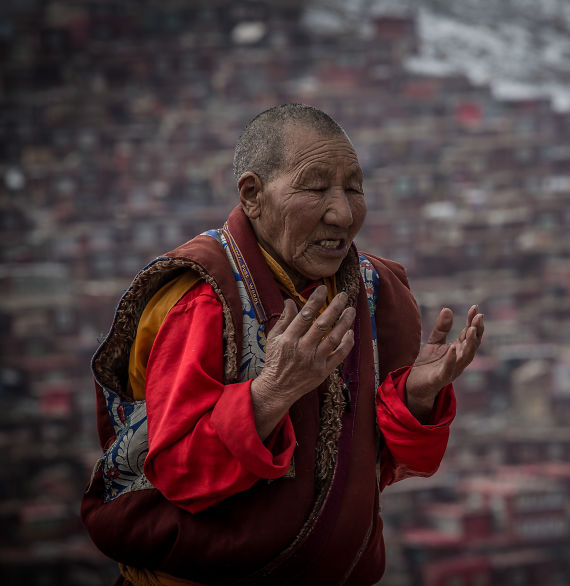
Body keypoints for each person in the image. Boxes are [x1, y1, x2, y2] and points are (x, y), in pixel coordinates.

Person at [81, 104, 485, 585]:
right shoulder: (204, 301)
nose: (343, 211)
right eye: (315, 188)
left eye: (354, 187)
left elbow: (380, 462)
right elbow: (179, 474)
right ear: (253, 194)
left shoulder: (372, 289)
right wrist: (271, 392)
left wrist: (416, 397)